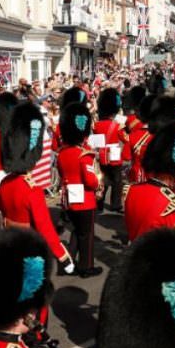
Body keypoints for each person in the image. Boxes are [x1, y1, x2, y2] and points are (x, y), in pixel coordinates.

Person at [0, 103, 74, 273]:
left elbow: (1, 211)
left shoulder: (5, 182)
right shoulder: (31, 189)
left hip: (9, 242)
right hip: (29, 246)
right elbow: (44, 227)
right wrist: (62, 255)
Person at [56, 101, 103, 277]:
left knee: (76, 231)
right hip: (85, 200)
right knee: (87, 235)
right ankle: (86, 267)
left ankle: (68, 263)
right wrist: (99, 184)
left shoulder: (62, 153)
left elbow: (61, 174)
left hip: (69, 199)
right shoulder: (84, 154)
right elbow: (91, 181)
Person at [92, 88, 124, 213]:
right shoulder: (117, 125)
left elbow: (95, 142)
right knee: (117, 180)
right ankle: (115, 204)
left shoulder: (96, 125)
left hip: (102, 155)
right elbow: (125, 139)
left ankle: (99, 202)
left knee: (102, 179)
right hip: (115, 155)